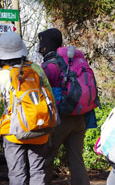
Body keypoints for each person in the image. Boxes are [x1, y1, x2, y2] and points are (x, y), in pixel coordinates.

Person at [0, 32, 56, 185]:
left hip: (13, 132)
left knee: (17, 175)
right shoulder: (36, 69)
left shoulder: (1, 76)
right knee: (38, 171)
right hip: (39, 128)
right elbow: (50, 99)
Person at [37, 28, 93, 185]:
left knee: (45, 158)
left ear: (45, 46)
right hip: (79, 117)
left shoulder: (49, 67)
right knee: (76, 159)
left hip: (60, 119)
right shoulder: (70, 62)